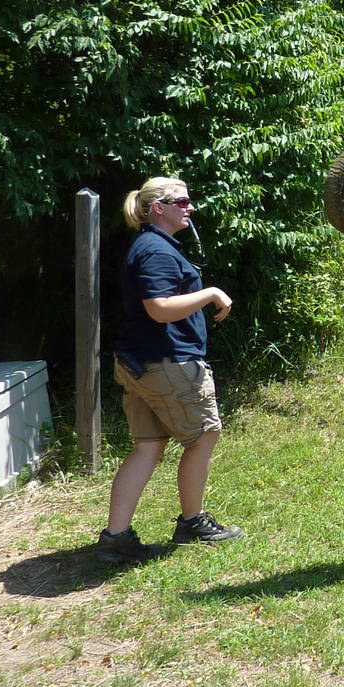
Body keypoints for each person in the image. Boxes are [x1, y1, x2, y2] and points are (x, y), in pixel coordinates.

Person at [96, 175, 245, 564]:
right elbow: (159, 308)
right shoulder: (156, 251)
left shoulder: (151, 245)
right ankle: (192, 522)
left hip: (138, 364)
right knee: (203, 437)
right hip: (167, 364)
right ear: (158, 208)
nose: (190, 207)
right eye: (182, 201)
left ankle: (115, 537)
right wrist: (211, 293)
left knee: (147, 447)